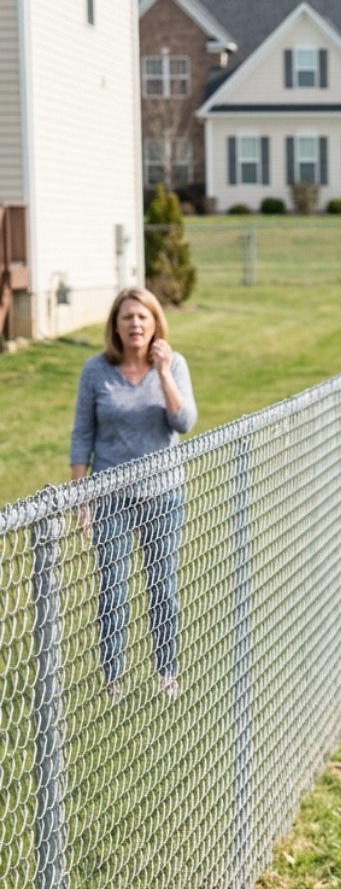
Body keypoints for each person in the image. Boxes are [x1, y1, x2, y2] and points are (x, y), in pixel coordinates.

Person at [70, 286, 197, 701]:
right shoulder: (96, 371)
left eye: (143, 317)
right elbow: (82, 435)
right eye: (127, 318)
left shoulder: (174, 365)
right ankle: (113, 680)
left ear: (156, 323)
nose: (135, 325)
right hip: (110, 496)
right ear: (116, 326)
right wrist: (81, 498)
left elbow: (184, 422)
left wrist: (162, 373)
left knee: (161, 586)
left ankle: (166, 673)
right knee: (113, 588)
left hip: (162, 494)